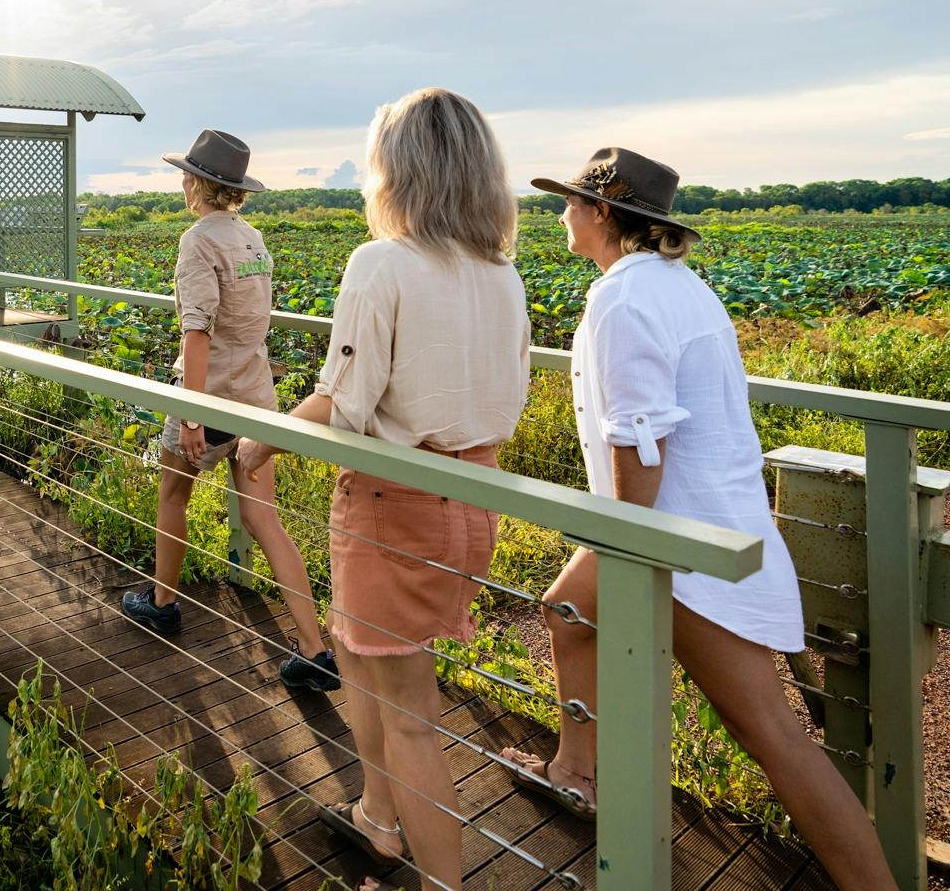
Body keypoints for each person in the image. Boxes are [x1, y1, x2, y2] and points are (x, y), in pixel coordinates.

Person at [501, 147, 894, 891]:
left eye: (570, 203)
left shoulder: (621, 298)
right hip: (699, 522)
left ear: (604, 213)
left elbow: (642, 438)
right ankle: (576, 771)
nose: (561, 215)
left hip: (679, 542)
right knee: (565, 611)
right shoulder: (679, 286)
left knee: (772, 736)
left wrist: (628, 545)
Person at [237, 88, 528, 891]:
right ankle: (378, 813)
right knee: (362, 656)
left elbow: (345, 401)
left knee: (411, 717)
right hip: (473, 495)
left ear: (395, 171)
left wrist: (260, 439)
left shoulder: (382, 264)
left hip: (391, 503)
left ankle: (438, 880)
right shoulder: (503, 275)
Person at [119, 128, 337, 692]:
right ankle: (314, 648)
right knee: (265, 519)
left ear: (199, 184)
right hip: (257, 396)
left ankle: (163, 602)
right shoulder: (253, 239)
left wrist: (190, 415)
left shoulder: (198, 241)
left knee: (173, 493)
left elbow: (197, 330)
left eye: (186, 174)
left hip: (209, 393)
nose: (182, 181)